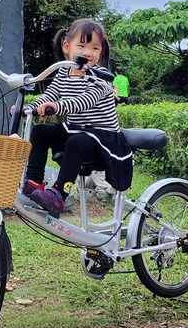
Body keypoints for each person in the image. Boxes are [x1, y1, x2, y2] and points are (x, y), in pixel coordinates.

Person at [21, 18, 133, 218]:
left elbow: (85, 101)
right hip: (77, 128)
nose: (88, 53)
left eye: (95, 48)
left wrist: (57, 107)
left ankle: (59, 194)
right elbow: (50, 94)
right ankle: (34, 183)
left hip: (102, 136)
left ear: (101, 51)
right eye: (81, 45)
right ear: (67, 46)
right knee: (40, 133)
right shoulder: (64, 71)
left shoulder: (101, 76)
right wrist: (28, 108)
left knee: (75, 142)